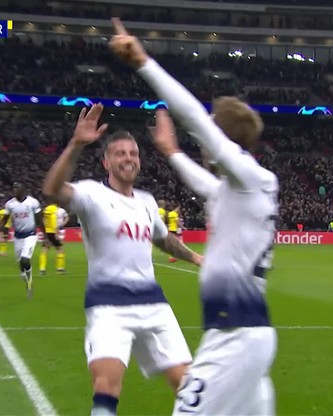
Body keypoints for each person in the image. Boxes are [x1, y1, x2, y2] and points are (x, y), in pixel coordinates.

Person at [110, 18, 278, 415]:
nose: (204, 144)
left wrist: (144, 62)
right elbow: (205, 184)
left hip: (237, 336)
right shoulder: (238, 190)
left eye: (212, 135)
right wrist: (171, 152)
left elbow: (196, 121)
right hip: (240, 334)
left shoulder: (253, 178)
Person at [42, 103, 202, 416]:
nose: (128, 158)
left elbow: (162, 238)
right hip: (108, 306)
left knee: (191, 390)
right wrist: (76, 143)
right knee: (106, 391)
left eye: (133, 153)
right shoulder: (91, 194)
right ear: (106, 162)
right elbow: (52, 189)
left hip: (154, 304)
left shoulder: (147, 201)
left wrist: (195, 257)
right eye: (120, 153)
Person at [0, 183, 43, 297]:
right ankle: (23, 274)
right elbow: (3, 221)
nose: (14, 190)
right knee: (20, 262)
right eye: (13, 188)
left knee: (25, 260)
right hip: (18, 237)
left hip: (30, 235)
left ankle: (29, 282)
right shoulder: (10, 204)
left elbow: (39, 220)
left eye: (17, 188)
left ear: (23, 190)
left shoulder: (33, 202)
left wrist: (47, 236)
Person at [39, 201, 66, 275]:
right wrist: (56, 231)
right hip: (52, 232)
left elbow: (43, 220)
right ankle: (60, 269)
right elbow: (54, 220)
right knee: (60, 249)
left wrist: (45, 231)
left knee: (45, 249)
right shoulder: (55, 209)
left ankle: (42, 269)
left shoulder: (46, 209)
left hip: (47, 231)